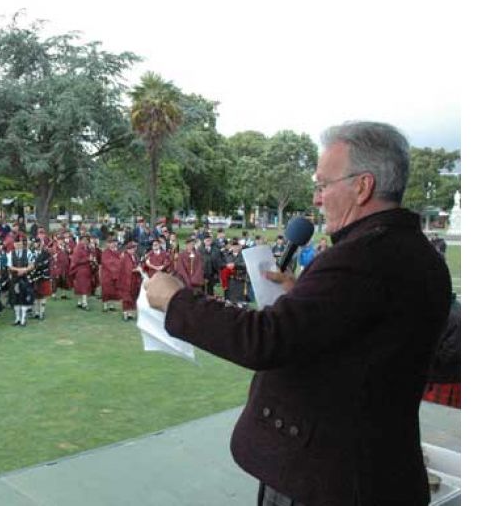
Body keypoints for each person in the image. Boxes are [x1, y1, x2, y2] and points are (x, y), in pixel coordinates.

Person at [145, 121, 452, 506]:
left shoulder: (361, 257)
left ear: (363, 186)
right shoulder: (420, 255)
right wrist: (302, 295)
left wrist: (176, 301)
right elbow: (363, 338)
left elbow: (265, 340)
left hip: (328, 478)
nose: (317, 199)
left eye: (324, 184)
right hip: (376, 469)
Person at [423, 293, 461, 408]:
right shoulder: (450, 310)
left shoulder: (450, 315)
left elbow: (448, 353)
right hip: (443, 378)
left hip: (443, 380)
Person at [6, 237, 35, 327]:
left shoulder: (28, 252)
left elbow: (32, 265)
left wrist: (25, 270)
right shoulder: (10, 254)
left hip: (25, 278)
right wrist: (20, 269)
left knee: (24, 299)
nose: (18, 245)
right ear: (14, 244)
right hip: (15, 279)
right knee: (15, 299)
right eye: (16, 243)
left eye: (20, 243)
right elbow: (9, 267)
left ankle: (23, 319)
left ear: (22, 244)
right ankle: (17, 318)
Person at [98, 239, 123, 312]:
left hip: (115, 274)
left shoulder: (117, 252)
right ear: (108, 244)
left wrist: (117, 266)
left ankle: (112, 305)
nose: (113, 244)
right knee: (106, 290)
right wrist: (115, 266)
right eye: (111, 243)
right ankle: (105, 306)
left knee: (113, 290)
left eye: (114, 243)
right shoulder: (105, 252)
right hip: (107, 274)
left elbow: (120, 261)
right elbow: (105, 262)